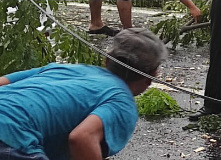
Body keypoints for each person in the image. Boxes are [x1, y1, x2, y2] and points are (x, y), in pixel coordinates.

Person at [0, 28, 168, 160]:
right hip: (13, 136)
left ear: (107, 60)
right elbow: (82, 138)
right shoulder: (121, 100)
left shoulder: (66, 68)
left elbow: (3, 82)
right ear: (152, 75)